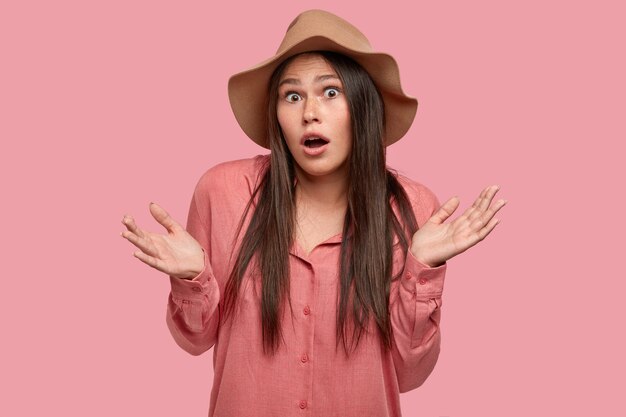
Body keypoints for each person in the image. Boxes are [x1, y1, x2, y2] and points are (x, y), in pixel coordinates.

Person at [120, 9, 506, 417]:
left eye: (331, 92)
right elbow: (195, 341)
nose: (309, 112)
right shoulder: (223, 193)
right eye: (292, 95)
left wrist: (423, 269)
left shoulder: (414, 210)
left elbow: (409, 375)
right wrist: (189, 278)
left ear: (363, 106)